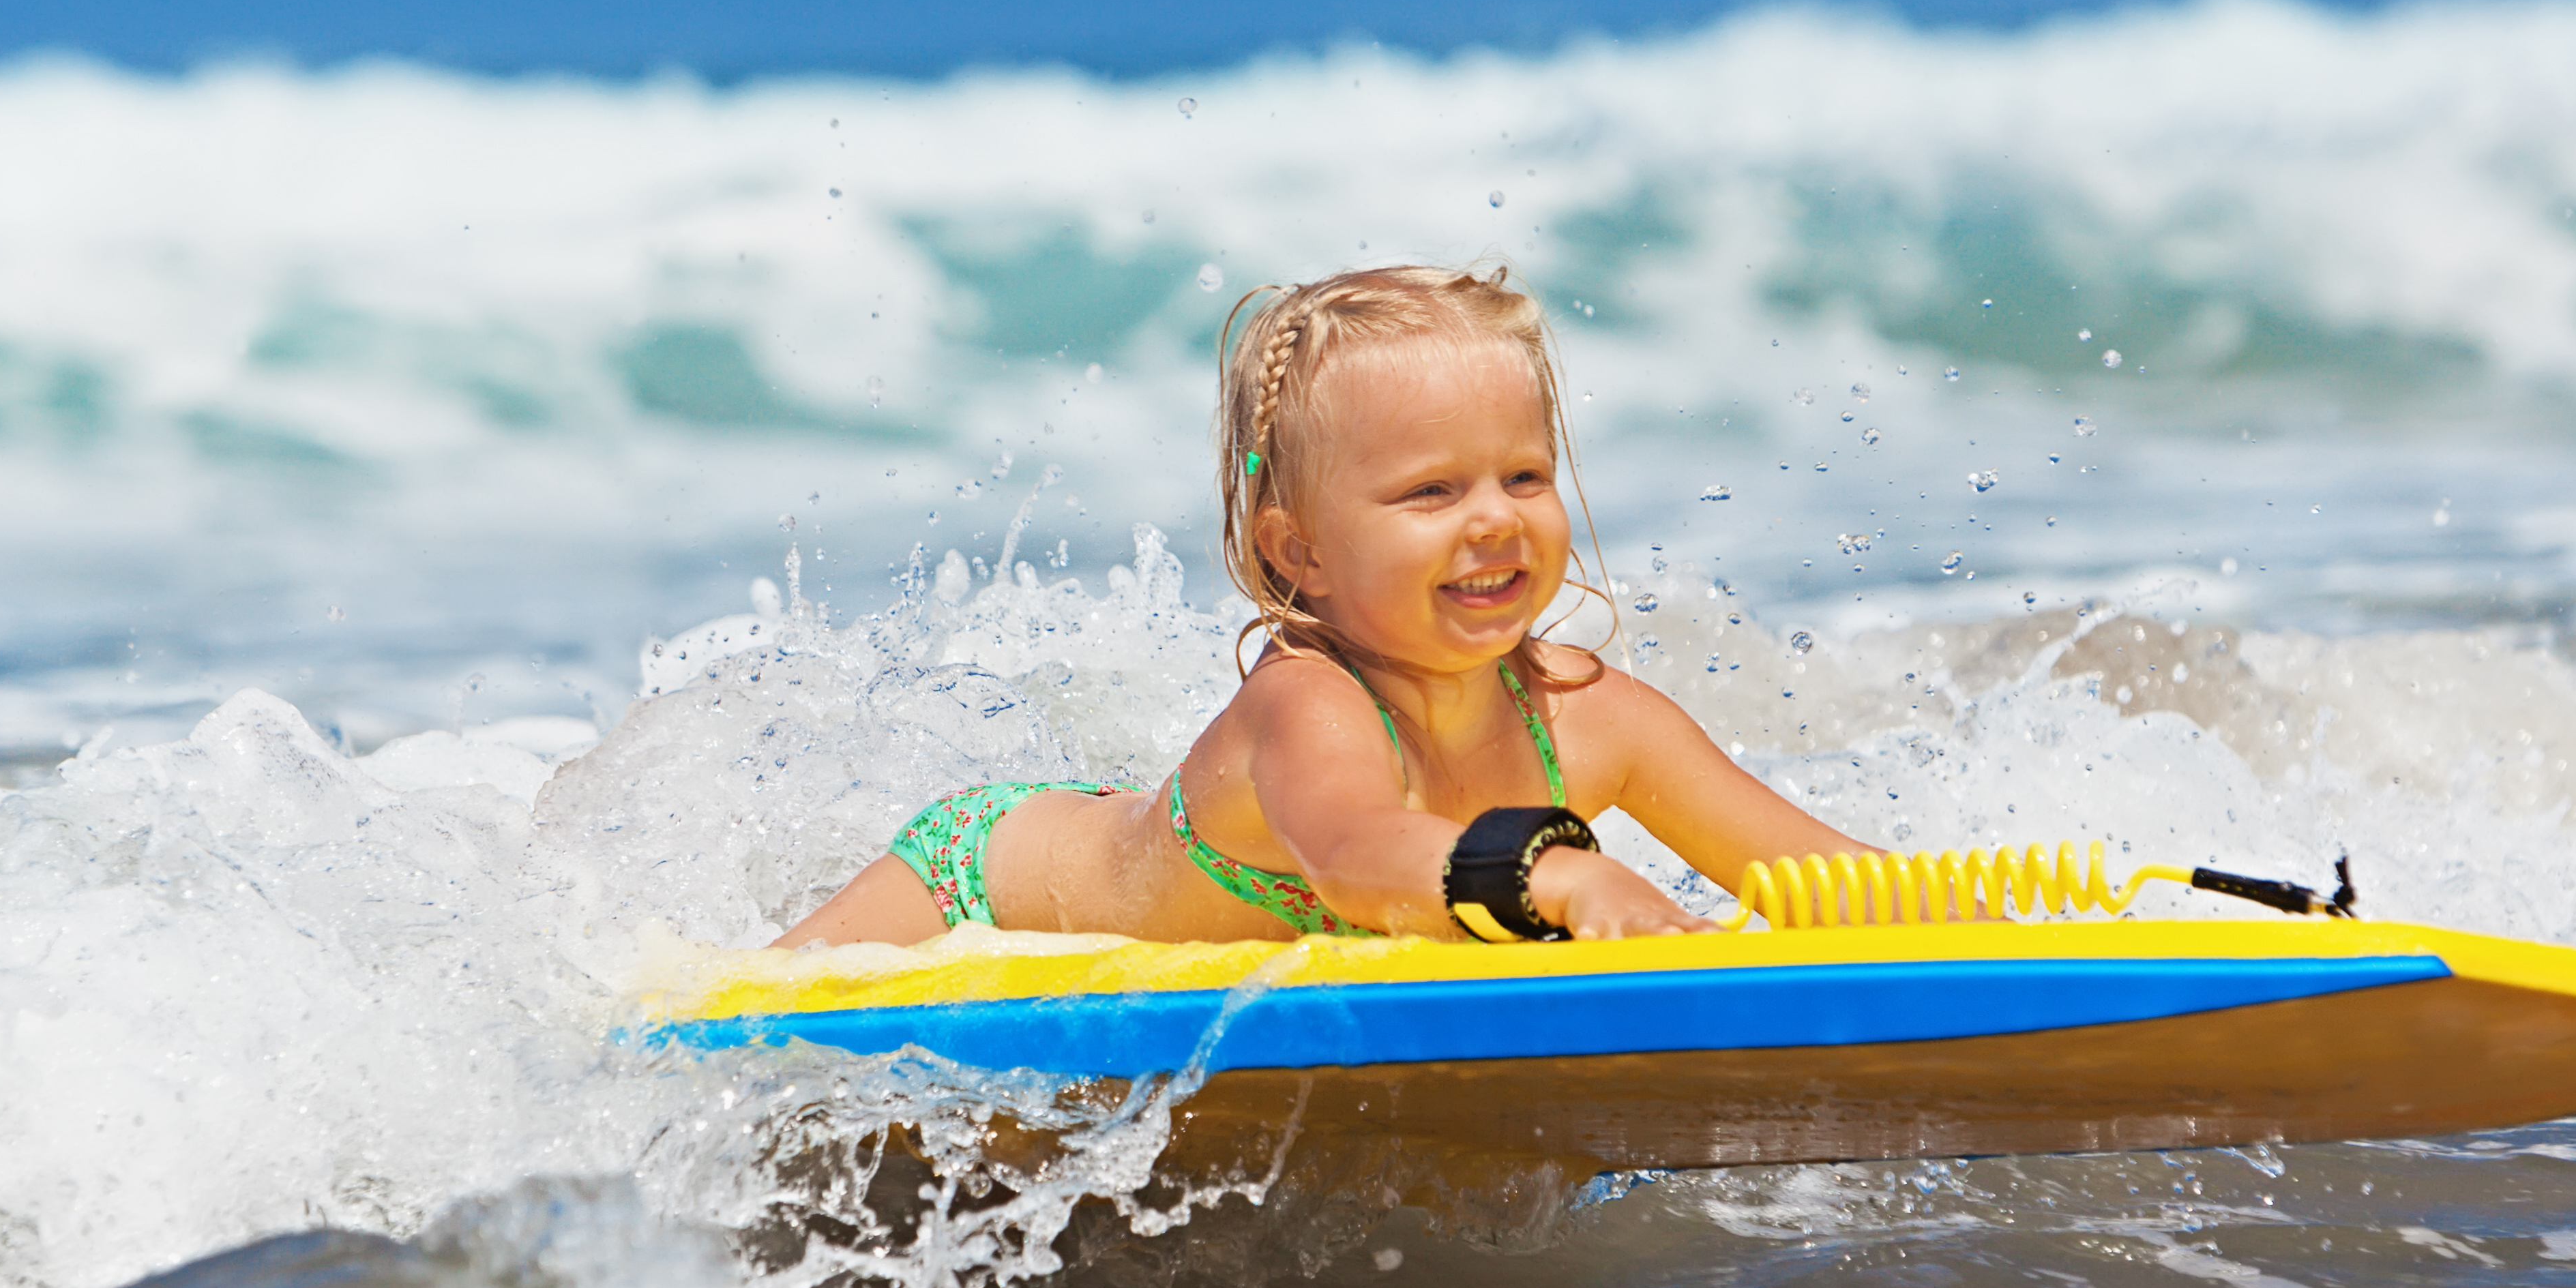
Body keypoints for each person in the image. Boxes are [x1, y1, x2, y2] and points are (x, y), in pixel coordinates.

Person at [777, 265, 1882, 948]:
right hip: (977, 887)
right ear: (1298, 550)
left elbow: (1811, 879)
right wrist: (1554, 874)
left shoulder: (1598, 720)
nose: (1494, 520)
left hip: (1152, 854)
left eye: (1525, 478)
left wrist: (1996, 929)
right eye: (1431, 492)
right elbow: (1356, 853)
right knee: (722, 1041)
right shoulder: (1307, 708)